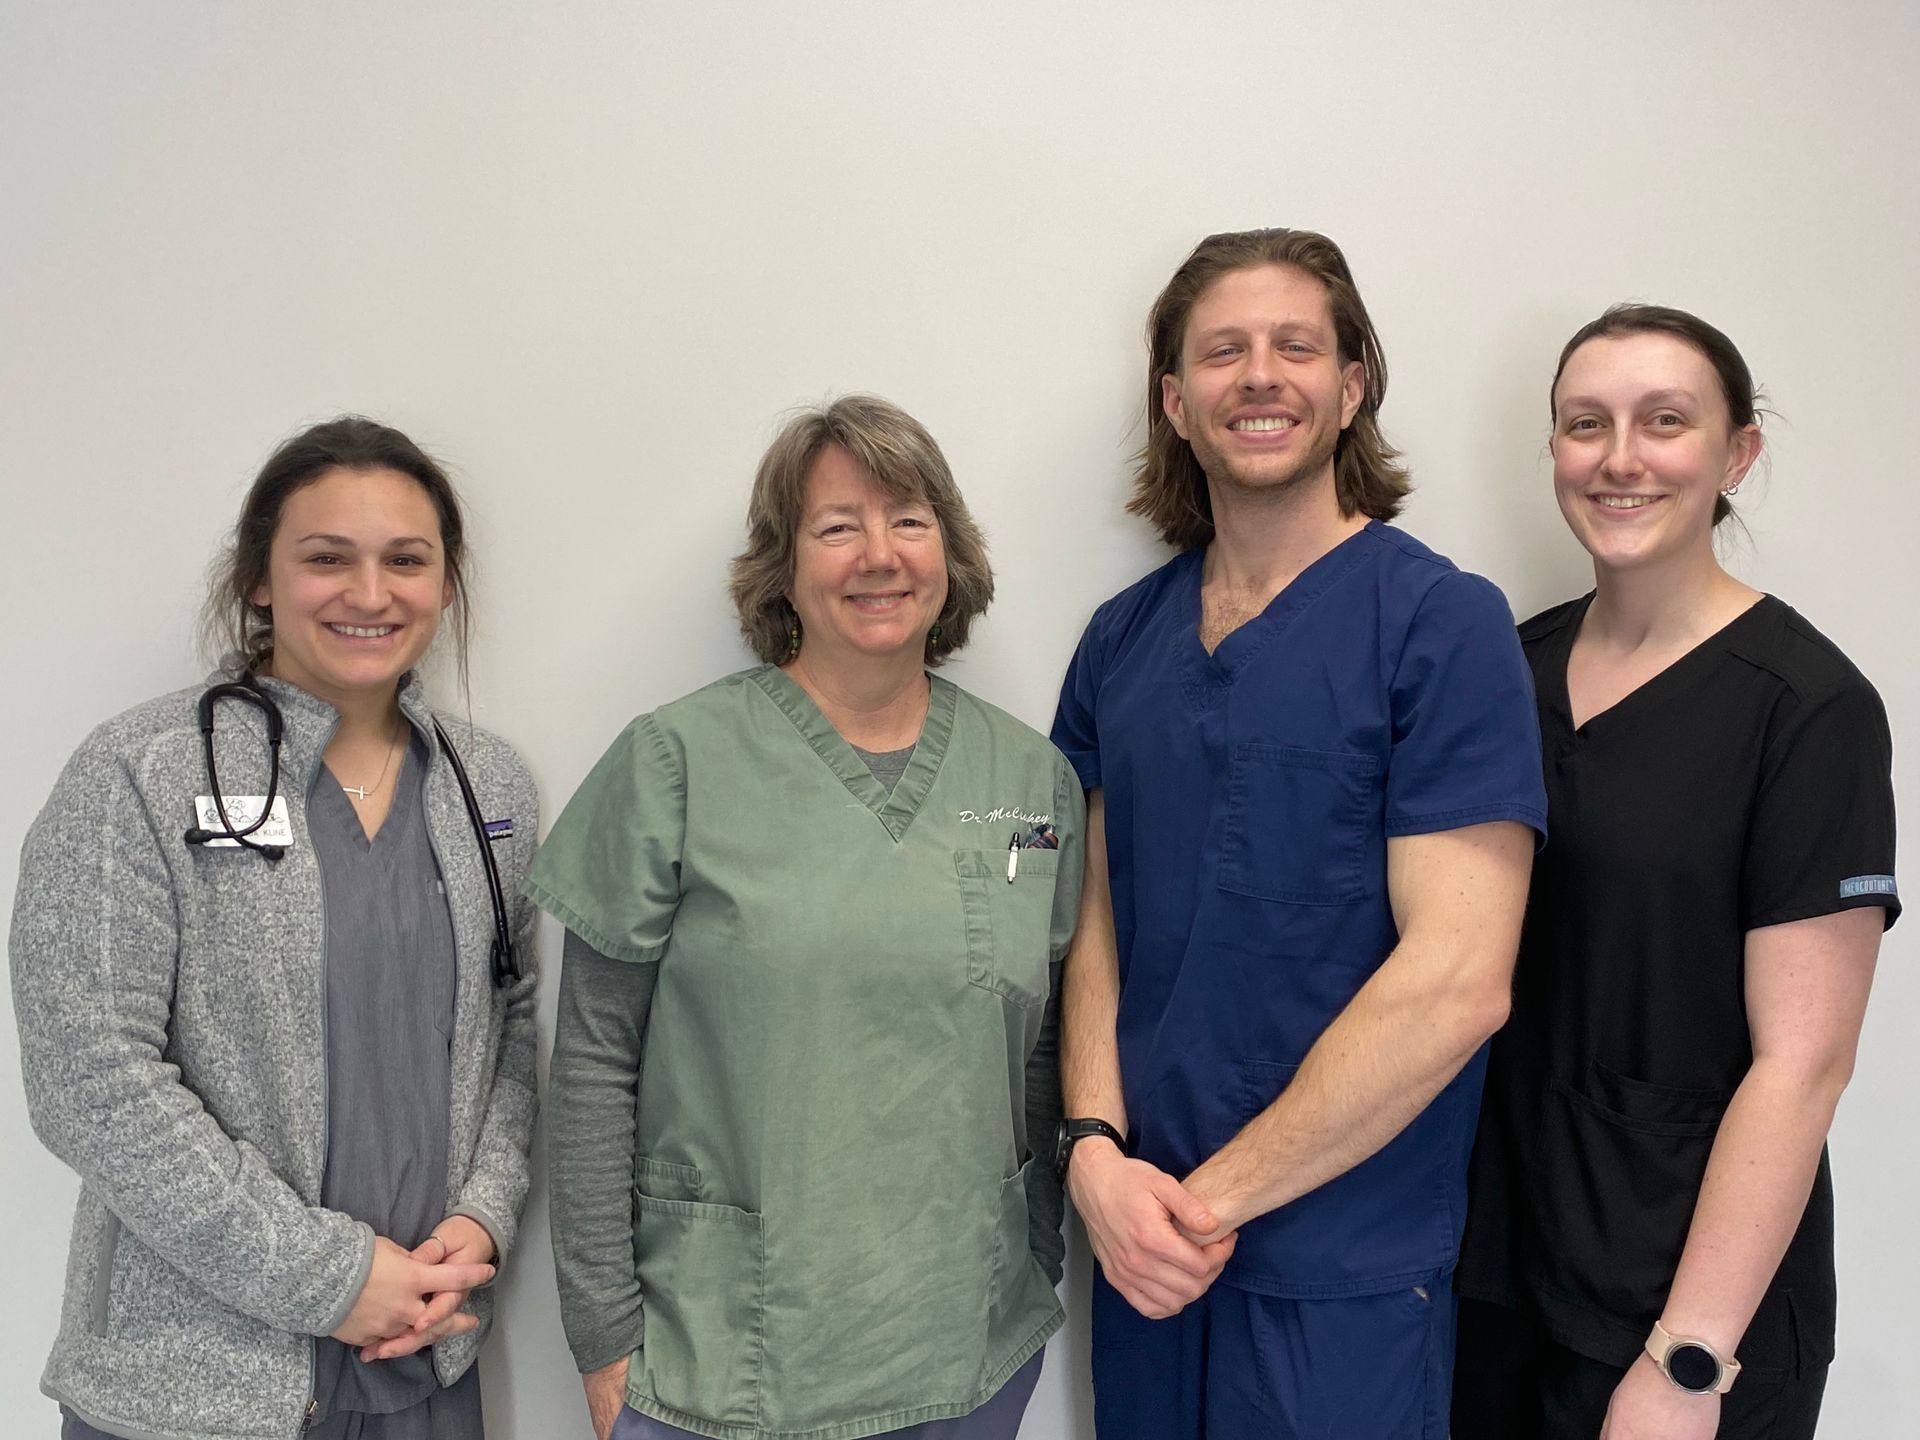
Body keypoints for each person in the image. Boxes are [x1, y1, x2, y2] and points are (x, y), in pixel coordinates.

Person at [1049, 227, 1547, 1439]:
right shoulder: (1122, 640)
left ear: (1352, 385)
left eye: (1295, 347)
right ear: (1175, 400)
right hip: (1145, 1251)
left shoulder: (1440, 625)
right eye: (1223, 352)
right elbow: (1087, 920)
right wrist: (1093, 1153)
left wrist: (1204, 1205)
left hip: (1340, 1271)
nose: (1259, 375)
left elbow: (1459, 983)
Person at [530, 395, 1083, 1440]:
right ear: (782, 568)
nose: (879, 554)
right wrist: (599, 1334)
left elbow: (1039, 1047)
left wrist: (1039, 1255)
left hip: (968, 1344)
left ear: (950, 554)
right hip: (726, 1361)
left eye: (910, 520)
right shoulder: (674, 763)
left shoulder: (1029, 782)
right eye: (838, 527)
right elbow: (596, 1062)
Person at [11, 417, 541, 1440]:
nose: (370, 593)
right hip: (197, 1391)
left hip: (424, 1366)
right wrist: (331, 1277)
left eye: (406, 560)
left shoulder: (488, 790)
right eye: (326, 558)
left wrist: (482, 1217)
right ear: (260, 577)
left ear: (445, 581)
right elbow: (90, 1080)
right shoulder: (140, 772)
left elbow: (510, 1026)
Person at [1452, 305, 1898, 1440]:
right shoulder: (1511, 667)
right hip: (1505, 1281)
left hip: (1689, 1315)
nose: (1619, 457)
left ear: (1736, 452)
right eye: (1584, 424)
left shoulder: (1807, 710)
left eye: (1665, 421)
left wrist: (1687, 1362)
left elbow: (1805, 1065)